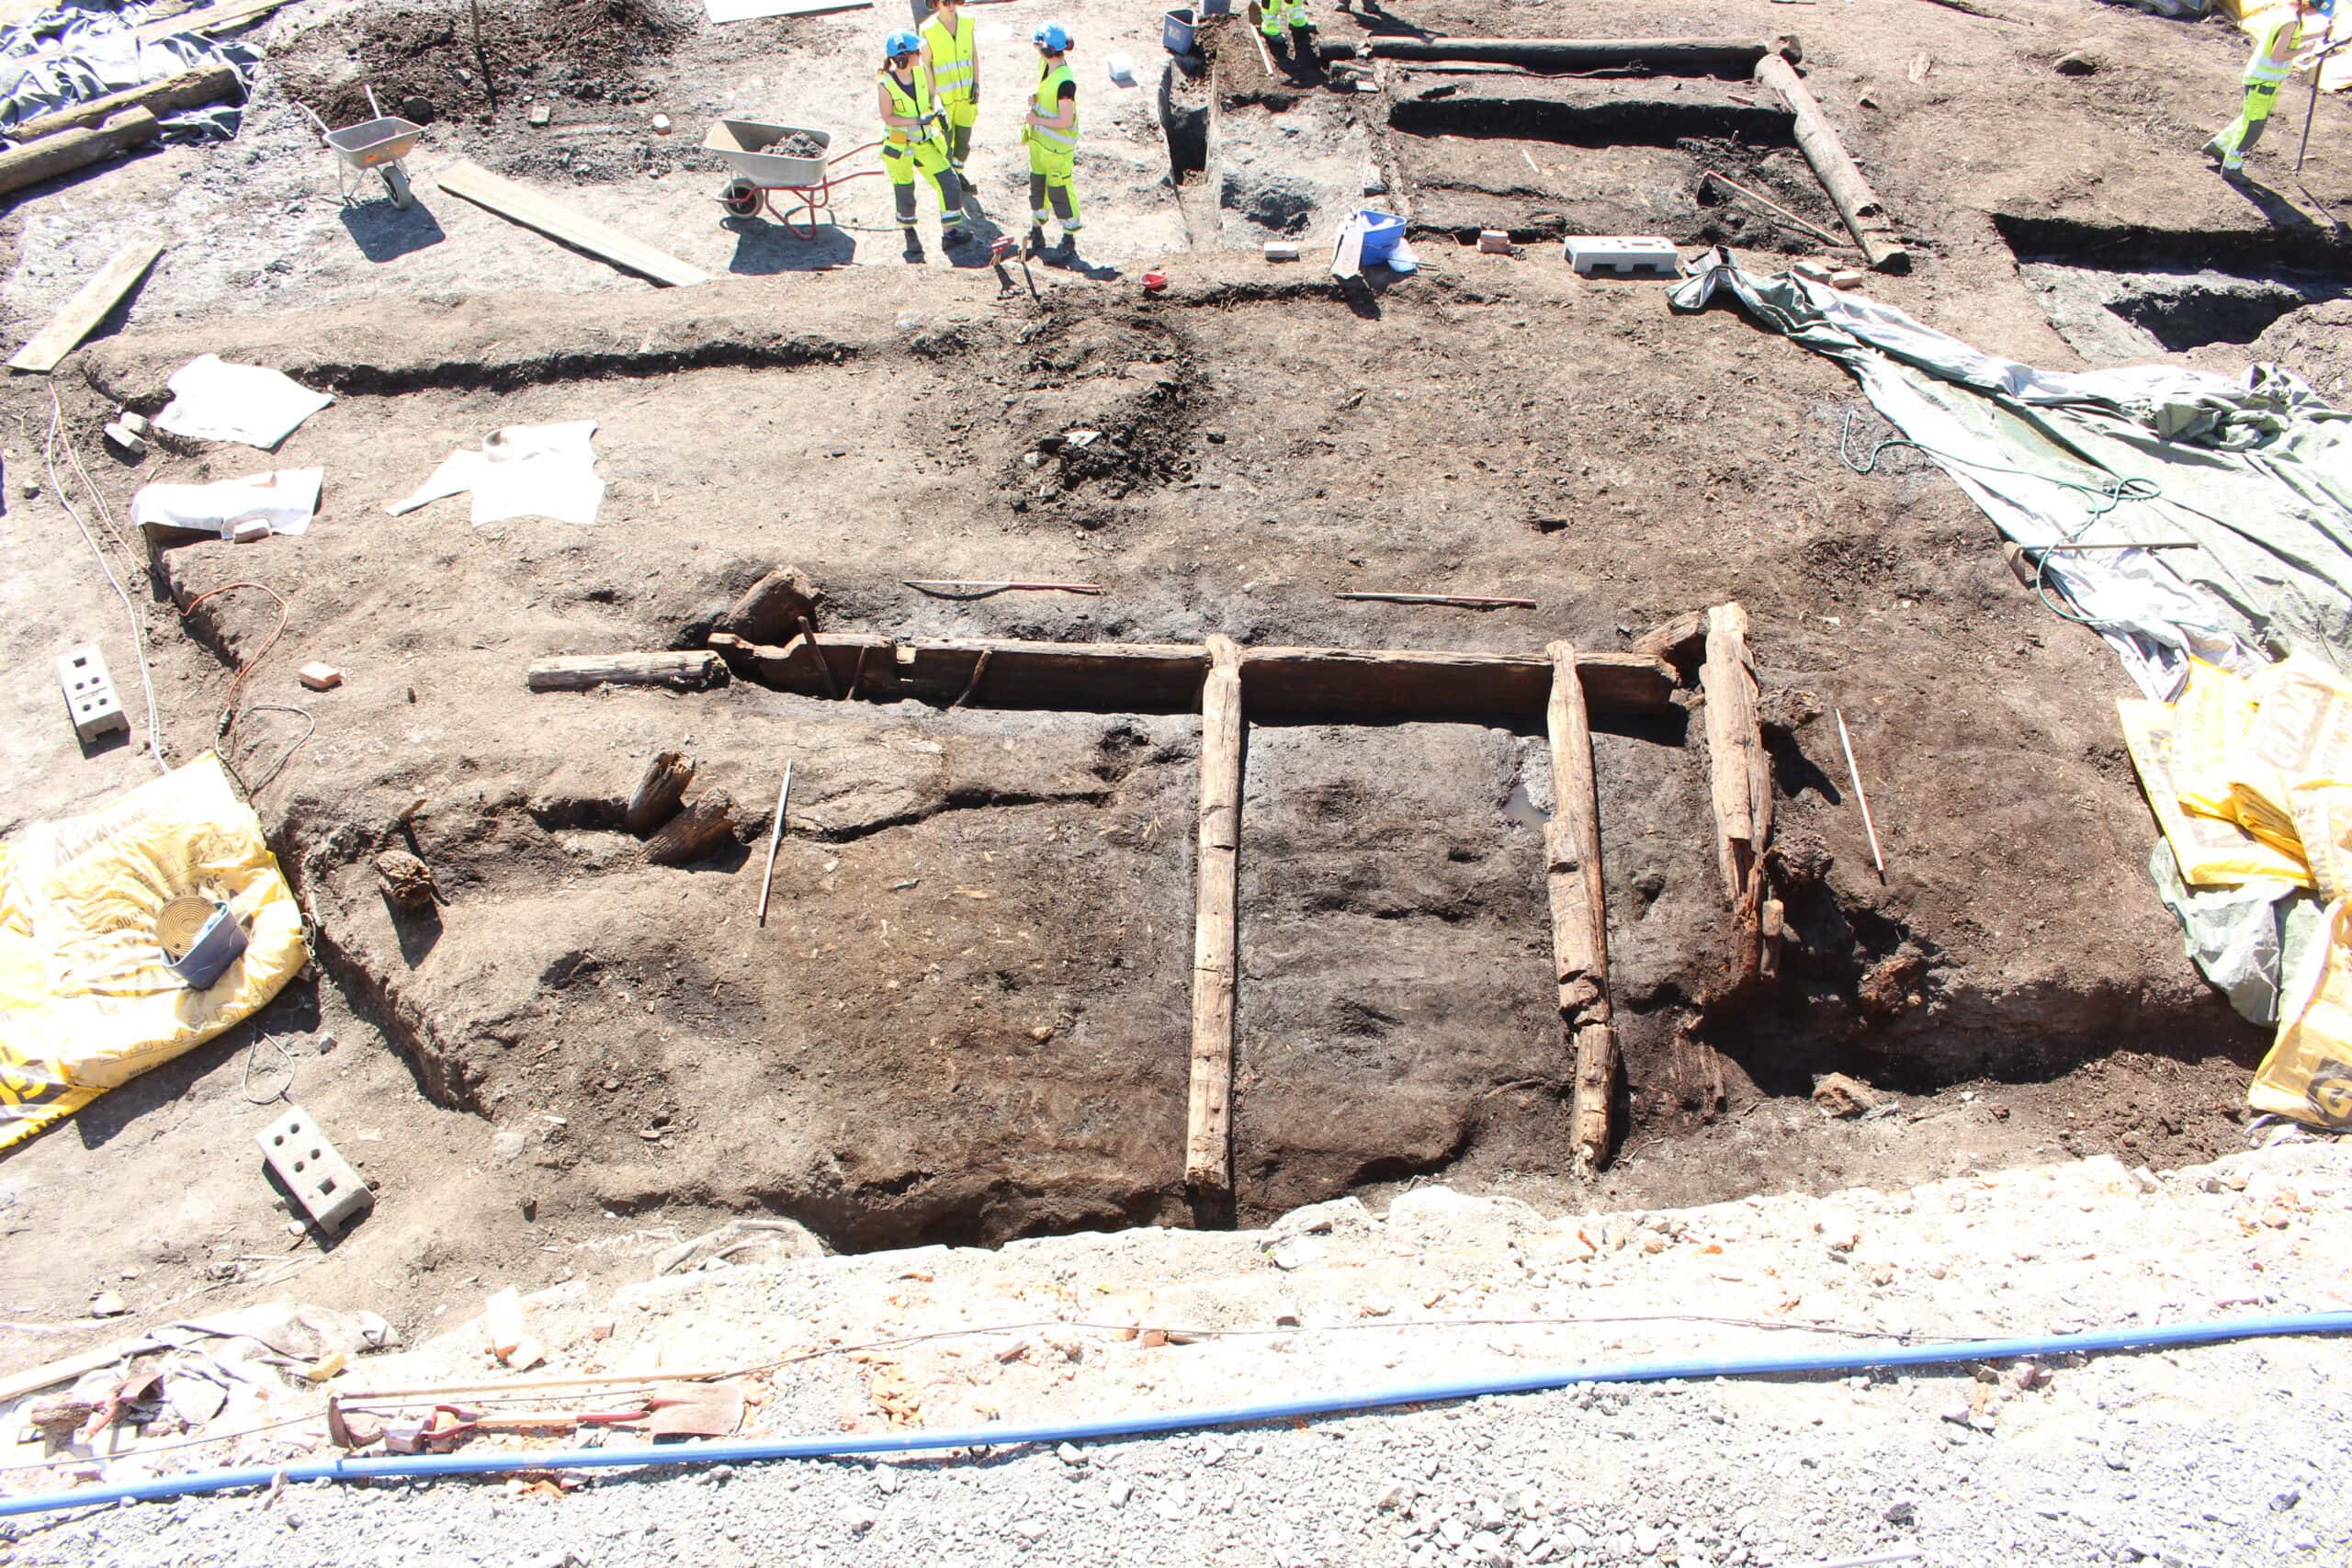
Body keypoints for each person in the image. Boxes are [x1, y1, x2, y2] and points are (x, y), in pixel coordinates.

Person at [2204, 0, 2335, 175]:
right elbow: (2278, 55)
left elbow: (2290, 40)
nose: (2315, 14)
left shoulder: (2287, 14)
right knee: (2254, 127)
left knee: (2250, 117)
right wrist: (2304, 51)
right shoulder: (2291, 22)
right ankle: (2232, 167)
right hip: (2263, 81)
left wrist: (2317, 35)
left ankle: (2219, 145)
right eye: (2316, 10)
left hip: (2261, 78)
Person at [876, 30, 978, 253]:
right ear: (902, 57)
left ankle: (949, 233)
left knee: (949, 182)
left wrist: (938, 111)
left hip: (924, 143)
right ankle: (910, 233)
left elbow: (933, 97)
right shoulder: (885, 83)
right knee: (905, 190)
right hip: (900, 146)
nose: (921, 54)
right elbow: (888, 116)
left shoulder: (921, 73)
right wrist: (916, 119)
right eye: (916, 52)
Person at [1023, 22, 1081, 256]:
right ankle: (1037, 228)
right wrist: (1035, 97)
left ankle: (1069, 238)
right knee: (1038, 184)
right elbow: (1045, 92)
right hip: (1039, 144)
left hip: (1057, 148)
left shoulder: (1065, 82)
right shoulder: (1046, 66)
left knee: (1059, 190)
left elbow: (1065, 121)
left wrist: (1036, 121)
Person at [919, 0, 979, 174]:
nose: (952, 6)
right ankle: (950, 180)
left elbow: (974, 54)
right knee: (944, 142)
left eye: (956, 1)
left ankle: (959, 174)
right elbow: (926, 66)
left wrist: (976, 84)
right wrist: (933, 98)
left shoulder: (967, 21)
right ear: (936, 3)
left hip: (966, 97)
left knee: (963, 139)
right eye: (946, 2)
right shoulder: (927, 29)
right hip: (945, 100)